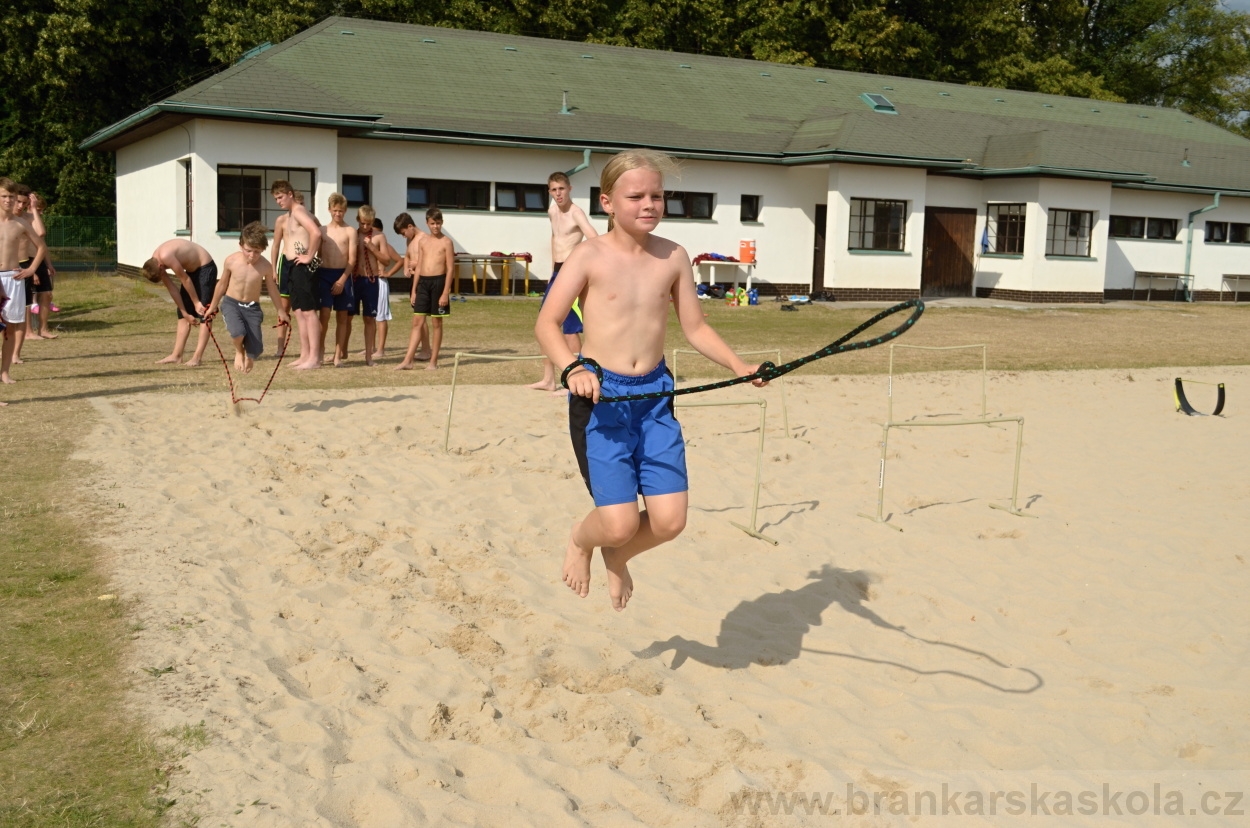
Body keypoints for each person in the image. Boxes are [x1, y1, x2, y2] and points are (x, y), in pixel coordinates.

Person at [536, 149, 766, 611]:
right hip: (602, 401)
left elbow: (695, 327)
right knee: (617, 522)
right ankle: (583, 542)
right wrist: (572, 367)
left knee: (668, 522)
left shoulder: (675, 256)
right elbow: (547, 323)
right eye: (636, 195)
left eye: (657, 196)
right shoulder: (588, 256)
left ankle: (617, 558)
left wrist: (739, 367)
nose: (649, 204)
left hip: (656, 399)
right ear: (607, 202)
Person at [529, 171, 597, 392]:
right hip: (557, 273)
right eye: (554, 190)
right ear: (549, 191)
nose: (558, 194)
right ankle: (549, 379)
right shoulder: (551, 210)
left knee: (570, 329)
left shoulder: (576, 213)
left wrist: (588, 268)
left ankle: (575, 381)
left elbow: (594, 239)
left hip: (572, 273)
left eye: (562, 189)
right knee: (544, 325)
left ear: (569, 189)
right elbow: (554, 237)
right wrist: (551, 269)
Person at [204, 221, 287, 374]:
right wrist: (213, 305)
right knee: (237, 333)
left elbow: (272, 289)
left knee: (256, 349)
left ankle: (249, 354)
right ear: (241, 245)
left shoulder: (265, 267)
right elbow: (222, 284)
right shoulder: (231, 261)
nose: (252, 255)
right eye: (248, 250)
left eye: (257, 251)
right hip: (231, 304)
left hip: (252, 308)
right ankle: (239, 352)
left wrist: (281, 311)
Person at [0, 177, 47, 386]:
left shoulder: (20, 223)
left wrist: (31, 269)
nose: (8, 201)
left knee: (10, 329)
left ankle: (4, 372)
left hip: (13, 277)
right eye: (4, 196)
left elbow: (41, 247)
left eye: (11, 197)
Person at [141, 238, 217, 366]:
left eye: (162, 273)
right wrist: (185, 312)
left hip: (205, 267)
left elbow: (185, 280)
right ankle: (176, 355)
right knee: (182, 314)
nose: (164, 274)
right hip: (192, 271)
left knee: (204, 313)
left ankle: (197, 358)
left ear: (160, 267)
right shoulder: (154, 262)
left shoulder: (166, 256)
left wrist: (196, 302)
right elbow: (172, 289)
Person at [394, 209, 454, 370]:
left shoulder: (447, 242)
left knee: (436, 323)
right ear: (427, 223)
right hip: (423, 284)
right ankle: (408, 360)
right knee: (417, 322)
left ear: (442, 222)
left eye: (438, 223)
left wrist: (445, 292)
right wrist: (414, 290)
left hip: (439, 283)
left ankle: (433, 362)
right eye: (432, 223)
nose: (436, 226)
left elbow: (450, 269)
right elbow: (419, 266)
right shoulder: (423, 242)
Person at [272, 180, 323, 369]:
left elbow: (316, 233)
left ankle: (314, 358)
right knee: (299, 312)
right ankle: (305, 354)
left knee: (309, 312)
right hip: (292, 266)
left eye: (280, 197)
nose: (278, 201)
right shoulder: (291, 215)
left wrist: (310, 256)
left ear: (290, 194)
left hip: (303, 267)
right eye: (275, 198)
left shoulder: (300, 211)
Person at [14, 186, 57, 345]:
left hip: (35, 260)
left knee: (46, 294)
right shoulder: (9, 219)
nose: (20, 206)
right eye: (17, 201)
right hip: (20, 262)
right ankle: (28, 331)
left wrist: (48, 264)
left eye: (23, 203)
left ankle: (43, 329)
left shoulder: (28, 217)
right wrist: (31, 270)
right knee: (24, 299)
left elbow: (41, 235)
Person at [351, 205, 393, 366]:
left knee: (369, 318)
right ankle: (341, 353)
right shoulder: (352, 234)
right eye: (362, 223)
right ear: (358, 220)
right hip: (354, 280)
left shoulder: (379, 236)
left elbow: (387, 260)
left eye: (368, 224)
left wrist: (372, 248)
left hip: (371, 281)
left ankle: (369, 356)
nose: (365, 227)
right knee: (346, 317)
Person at [320, 192, 356, 367]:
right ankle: (319, 352)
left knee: (342, 317)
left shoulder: (350, 231)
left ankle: (337, 355)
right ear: (329, 210)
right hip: (324, 275)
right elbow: (316, 255)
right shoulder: (322, 230)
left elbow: (352, 259)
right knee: (324, 315)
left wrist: (342, 280)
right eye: (335, 210)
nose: (338, 214)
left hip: (343, 274)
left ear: (345, 211)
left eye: (341, 211)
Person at [372, 217, 404, 359]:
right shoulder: (367, 244)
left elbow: (400, 260)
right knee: (370, 316)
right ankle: (371, 347)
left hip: (380, 282)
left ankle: (380, 349)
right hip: (369, 282)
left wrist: (388, 273)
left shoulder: (385, 245)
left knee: (381, 317)